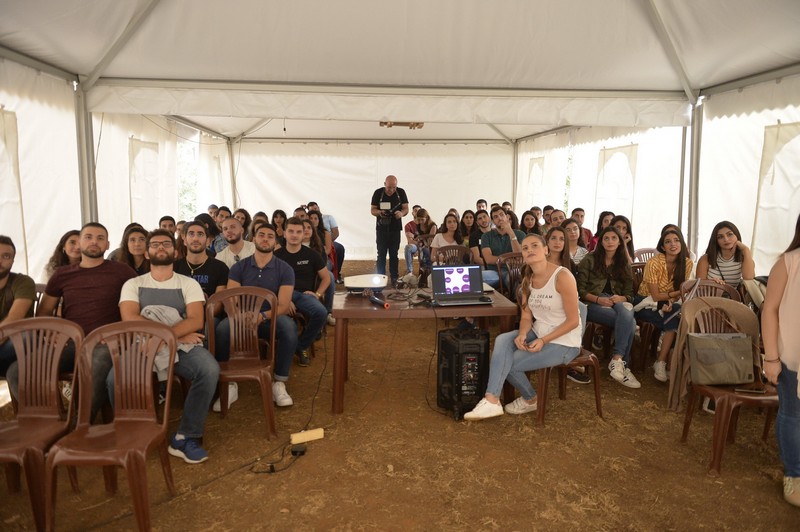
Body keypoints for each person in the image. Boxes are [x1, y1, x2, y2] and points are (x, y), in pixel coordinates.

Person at [11, 223, 139, 420]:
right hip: (69, 342)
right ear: (79, 242)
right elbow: (44, 310)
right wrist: (49, 332)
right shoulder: (62, 274)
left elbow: (138, 304)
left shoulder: (123, 271)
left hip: (106, 342)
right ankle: (49, 421)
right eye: (88, 237)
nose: (94, 242)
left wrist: (123, 334)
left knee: (94, 363)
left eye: (100, 238)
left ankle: (79, 424)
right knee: (17, 371)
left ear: (107, 245)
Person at [118, 229, 220, 464]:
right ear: (146, 252)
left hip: (178, 345)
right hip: (143, 344)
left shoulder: (188, 283)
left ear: (175, 252)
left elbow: (196, 320)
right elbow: (130, 318)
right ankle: (135, 433)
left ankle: (186, 435)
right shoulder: (133, 284)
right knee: (116, 378)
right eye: (155, 244)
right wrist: (173, 335)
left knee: (208, 370)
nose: (161, 247)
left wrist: (166, 338)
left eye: (166, 244)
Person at [463, 233, 582, 420]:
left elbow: (573, 321)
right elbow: (526, 316)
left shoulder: (562, 276)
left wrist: (544, 340)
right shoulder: (527, 280)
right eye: (525, 248)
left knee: (508, 363)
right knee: (503, 339)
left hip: (565, 340)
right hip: (539, 331)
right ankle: (492, 399)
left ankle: (530, 399)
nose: (529, 250)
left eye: (534, 246)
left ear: (545, 250)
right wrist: (523, 333)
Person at [218, 223, 297, 408]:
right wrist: (242, 317)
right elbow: (231, 300)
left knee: (289, 329)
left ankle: (279, 382)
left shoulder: (285, 269)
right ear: (253, 239)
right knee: (221, 329)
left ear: (275, 242)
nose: (265, 239)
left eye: (270, 236)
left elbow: (284, 305)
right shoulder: (239, 267)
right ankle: (229, 383)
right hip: (242, 317)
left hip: (270, 318)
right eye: (261, 235)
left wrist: (262, 316)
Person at [762, 213, 800, 507]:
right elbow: (770, 310)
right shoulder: (788, 262)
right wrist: (771, 357)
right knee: (792, 415)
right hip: (791, 357)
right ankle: (794, 474)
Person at [577, 226, 640, 388]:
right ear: (601, 241)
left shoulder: (623, 262)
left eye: (614, 238)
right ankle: (623, 365)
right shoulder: (589, 260)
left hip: (616, 301)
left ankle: (616, 360)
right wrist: (598, 299)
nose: (610, 241)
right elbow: (580, 290)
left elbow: (630, 294)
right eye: (606, 238)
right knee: (630, 323)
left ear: (620, 242)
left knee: (627, 310)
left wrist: (622, 297)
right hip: (593, 303)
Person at [635, 228, 693, 382]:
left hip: (667, 304)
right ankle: (663, 362)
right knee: (677, 319)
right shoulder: (654, 263)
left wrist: (670, 301)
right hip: (645, 302)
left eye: (676, 240)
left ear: (682, 243)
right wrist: (675, 295)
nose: (673, 244)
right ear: (662, 247)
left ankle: (663, 361)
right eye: (668, 242)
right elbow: (655, 296)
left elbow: (680, 292)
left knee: (678, 313)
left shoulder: (687, 263)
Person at [275, 217, 330, 366]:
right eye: (291, 231)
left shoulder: (312, 255)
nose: (294, 235)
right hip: (281, 296)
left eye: (298, 232)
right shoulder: (276, 256)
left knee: (321, 313)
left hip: (304, 295)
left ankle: (300, 345)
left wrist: (317, 294)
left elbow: (326, 278)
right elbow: (271, 282)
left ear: (303, 234)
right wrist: (285, 301)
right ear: (284, 234)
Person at [0, 236, 35, 379]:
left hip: (13, 345)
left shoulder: (23, 281)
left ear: (13, 261)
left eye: (6, 256)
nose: (0, 261)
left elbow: (14, 319)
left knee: (29, 337)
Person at [371, 175, 409, 285]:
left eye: (394, 187)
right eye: (389, 187)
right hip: (381, 228)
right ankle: (380, 278)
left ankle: (394, 278)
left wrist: (401, 213)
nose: (391, 190)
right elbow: (372, 210)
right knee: (381, 254)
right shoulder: (378, 193)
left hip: (395, 228)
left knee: (394, 254)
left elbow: (406, 208)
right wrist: (380, 213)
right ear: (384, 184)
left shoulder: (401, 192)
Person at [696, 221, 755, 289]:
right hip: (708, 297)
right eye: (720, 237)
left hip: (731, 298)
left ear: (737, 236)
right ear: (716, 241)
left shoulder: (744, 258)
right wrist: (710, 282)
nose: (726, 239)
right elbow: (698, 286)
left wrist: (746, 250)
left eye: (730, 234)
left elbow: (748, 278)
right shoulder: (706, 259)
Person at [480, 206, 525, 289]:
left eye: (501, 215)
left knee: (513, 278)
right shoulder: (486, 236)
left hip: (513, 271)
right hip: (495, 272)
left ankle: (515, 301)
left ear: (507, 217)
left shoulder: (520, 234)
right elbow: (489, 259)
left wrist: (511, 233)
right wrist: (509, 260)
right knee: (476, 276)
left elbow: (519, 258)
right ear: (492, 221)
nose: (499, 218)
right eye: (495, 217)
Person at [307, 201, 345, 282]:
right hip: (313, 254)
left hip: (329, 241)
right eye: (311, 218)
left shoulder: (328, 217)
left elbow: (335, 232)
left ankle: (337, 274)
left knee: (339, 248)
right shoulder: (305, 231)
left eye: (315, 208)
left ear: (318, 208)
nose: (313, 220)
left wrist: (328, 242)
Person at [404, 208, 436, 275]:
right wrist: (418, 243)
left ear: (426, 218)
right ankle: (410, 271)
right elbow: (418, 239)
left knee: (425, 250)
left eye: (422, 219)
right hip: (421, 244)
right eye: (419, 219)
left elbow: (430, 240)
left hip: (431, 246)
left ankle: (427, 271)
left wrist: (420, 241)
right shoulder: (418, 226)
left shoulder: (432, 225)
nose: (421, 221)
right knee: (408, 248)